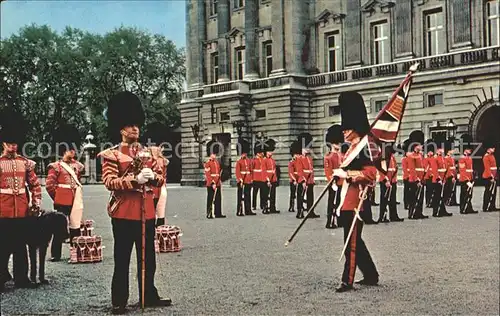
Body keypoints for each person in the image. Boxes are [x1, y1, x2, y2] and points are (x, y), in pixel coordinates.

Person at [97, 91, 171, 314]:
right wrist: (134, 180)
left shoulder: (150, 153)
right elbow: (110, 182)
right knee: (122, 259)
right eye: (129, 125)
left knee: (148, 259)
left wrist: (152, 177)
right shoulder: (112, 155)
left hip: (146, 212)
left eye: (136, 125)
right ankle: (119, 300)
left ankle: (148, 294)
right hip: (123, 213)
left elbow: (161, 179)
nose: (135, 129)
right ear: (120, 129)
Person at [333, 91, 379, 293]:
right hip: (346, 199)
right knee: (356, 241)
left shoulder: (365, 148)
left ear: (355, 128)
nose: (344, 131)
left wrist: (348, 175)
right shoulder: (351, 149)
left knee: (351, 242)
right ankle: (371, 274)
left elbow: (370, 174)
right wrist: (338, 176)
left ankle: (347, 280)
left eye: (347, 128)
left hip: (356, 200)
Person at [0, 108, 41, 292]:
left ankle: (21, 278)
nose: (13, 147)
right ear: (3, 143)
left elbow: (34, 184)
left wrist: (36, 201)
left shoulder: (26, 163)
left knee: (20, 246)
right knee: (2, 246)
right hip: (3, 210)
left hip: (22, 210)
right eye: (10, 143)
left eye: (15, 143)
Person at [45, 123, 85, 261]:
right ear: (63, 150)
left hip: (75, 200)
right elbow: (50, 185)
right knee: (59, 227)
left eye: (74, 150)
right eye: (70, 150)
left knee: (75, 226)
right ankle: (56, 254)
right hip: (62, 201)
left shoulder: (78, 167)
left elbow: (77, 183)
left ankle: (76, 253)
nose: (73, 152)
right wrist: (58, 197)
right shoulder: (55, 167)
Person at [143, 122, 169, 226]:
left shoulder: (158, 160)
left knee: (157, 214)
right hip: (154, 189)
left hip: (158, 188)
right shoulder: (158, 160)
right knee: (156, 214)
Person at [324, 124, 343, 229]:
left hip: (342, 181)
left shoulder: (341, 155)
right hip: (334, 182)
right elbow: (328, 171)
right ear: (331, 143)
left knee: (340, 202)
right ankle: (330, 221)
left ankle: (339, 220)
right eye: (337, 143)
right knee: (332, 202)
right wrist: (332, 182)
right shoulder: (328, 157)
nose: (339, 145)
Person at [296, 134, 320, 219]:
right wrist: (303, 181)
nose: (307, 149)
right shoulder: (299, 158)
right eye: (306, 148)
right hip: (303, 180)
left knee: (310, 196)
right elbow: (299, 170)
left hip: (309, 179)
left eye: (308, 148)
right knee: (300, 197)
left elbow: (311, 169)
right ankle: (300, 211)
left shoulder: (309, 158)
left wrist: (312, 179)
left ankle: (310, 211)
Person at [378, 148, 404, 223]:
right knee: (384, 199)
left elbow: (395, 168)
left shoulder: (392, 156)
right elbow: (381, 170)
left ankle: (393, 215)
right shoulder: (383, 156)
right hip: (385, 181)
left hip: (392, 180)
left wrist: (393, 180)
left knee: (393, 199)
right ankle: (382, 216)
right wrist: (385, 180)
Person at [407, 141, 428, 219]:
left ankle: (419, 212)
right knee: (414, 197)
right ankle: (412, 213)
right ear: (416, 146)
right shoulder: (411, 156)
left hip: (421, 178)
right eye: (420, 145)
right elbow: (412, 169)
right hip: (414, 179)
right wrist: (417, 180)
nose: (421, 146)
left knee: (421, 197)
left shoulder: (420, 155)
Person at [204, 140, 225, 219]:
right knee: (210, 198)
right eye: (213, 154)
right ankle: (209, 213)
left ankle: (218, 212)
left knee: (218, 198)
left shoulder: (216, 162)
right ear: (210, 154)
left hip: (218, 182)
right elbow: (208, 175)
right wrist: (212, 183)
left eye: (215, 154)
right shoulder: (208, 163)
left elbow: (218, 172)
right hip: (211, 183)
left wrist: (218, 181)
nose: (214, 156)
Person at [235, 138, 254, 216]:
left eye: (245, 153)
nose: (244, 154)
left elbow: (251, 170)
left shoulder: (249, 161)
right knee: (240, 196)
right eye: (243, 153)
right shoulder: (239, 162)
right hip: (242, 180)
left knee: (248, 196)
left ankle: (248, 210)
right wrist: (240, 179)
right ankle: (239, 210)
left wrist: (252, 179)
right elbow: (237, 172)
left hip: (248, 180)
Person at [432, 147, 453, 217]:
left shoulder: (443, 158)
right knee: (437, 196)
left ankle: (442, 210)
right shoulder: (435, 158)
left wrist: (449, 177)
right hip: (438, 180)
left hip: (444, 178)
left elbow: (446, 168)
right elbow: (435, 170)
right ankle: (435, 211)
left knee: (443, 196)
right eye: (440, 150)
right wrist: (438, 179)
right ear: (437, 150)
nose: (442, 151)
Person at [458, 148, 477, 214]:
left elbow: (470, 169)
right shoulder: (462, 158)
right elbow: (462, 170)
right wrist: (466, 180)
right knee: (464, 194)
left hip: (470, 177)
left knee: (469, 194)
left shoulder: (469, 158)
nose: (470, 151)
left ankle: (469, 208)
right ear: (465, 150)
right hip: (464, 179)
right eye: (469, 150)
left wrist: (472, 177)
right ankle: (463, 208)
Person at [265, 139, 280, 214]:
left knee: (273, 195)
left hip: (273, 179)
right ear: (266, 152)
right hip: (267, 179)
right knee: (266, 194)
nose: (271, 153)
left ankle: (272, 207)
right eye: (269, 151)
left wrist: (275, 179)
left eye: (271, 151)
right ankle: (265, 207)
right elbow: (264, 171)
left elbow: (274, 170)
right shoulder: (264, 160)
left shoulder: (272, 160)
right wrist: (267, 180)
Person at [482, 141, 498, 212]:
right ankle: (485, 207)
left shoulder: (492, 155)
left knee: (493, 192)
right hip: (488, 176)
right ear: (488, 149)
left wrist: (495, 176)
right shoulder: (486, 157)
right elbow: (487, 168)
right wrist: (491, 177)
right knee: (488, 192)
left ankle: (492, 206)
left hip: (494, 176)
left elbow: (494, 167)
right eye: (492, 148)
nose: (494, 149)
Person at [251, 145, 267, 212]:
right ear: (257, 153)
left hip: (262, 178)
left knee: (262, 192)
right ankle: (254, 205)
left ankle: (262, 204)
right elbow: (252, 170)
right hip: (255, 178)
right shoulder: (254, 160)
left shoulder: (263, 160)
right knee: (255, 192)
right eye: (260, 153)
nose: (262, 154)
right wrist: (251, 178)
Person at [287, 142, 301, 213]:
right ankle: (291, 206)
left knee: (300, 193)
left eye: (298, 154)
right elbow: (291, 172)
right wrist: (294, 180)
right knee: (293, 194)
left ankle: (300, 205)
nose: (298, 155)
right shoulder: (291, 162)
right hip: (293, 180)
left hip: (300, 179)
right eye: (296, 154)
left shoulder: (300, 161)